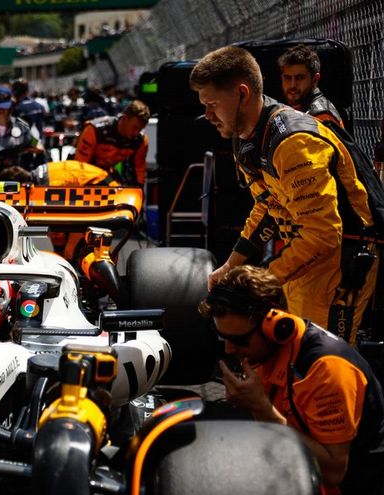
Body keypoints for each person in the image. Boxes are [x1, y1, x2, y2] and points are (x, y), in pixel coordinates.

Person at [201, 265, 384, 495]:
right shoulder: (268, 355)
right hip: (307, 494)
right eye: (222, 337)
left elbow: (334, 469)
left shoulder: (326, 370)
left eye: (238, 340)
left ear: (275, 325)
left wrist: (259, 408)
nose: (229, 349)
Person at [191, 45, 378, 343]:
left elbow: (324, 235)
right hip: (304, 254)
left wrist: (263, 279)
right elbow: (268, 206)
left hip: (342, 259)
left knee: (321, 360)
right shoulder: (249, 137)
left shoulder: (293, 142)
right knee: (291, 351)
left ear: (242, 94)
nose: (207, 114)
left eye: (212, 103)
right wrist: (232, 265)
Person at [73, 99, 150, 186]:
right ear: (125, 118)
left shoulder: (140, 140)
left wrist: (139, 191)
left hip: (107, 173)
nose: (136, 133)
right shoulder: (94, 130)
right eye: (135, 128)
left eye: (140, 129)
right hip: (83, 172)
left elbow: (139, 170)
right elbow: (80, 167)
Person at [278, 44, 345, 128]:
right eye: (287, 78)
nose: (292, 85)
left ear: (315, 80)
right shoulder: (297, 108)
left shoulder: (322, 117)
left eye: (300, 78)